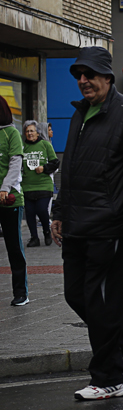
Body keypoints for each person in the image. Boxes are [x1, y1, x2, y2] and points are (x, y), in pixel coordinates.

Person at [51, 46, 123, 400]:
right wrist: (59, 211)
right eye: (79, 75)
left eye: (90, 74)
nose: (83, 81)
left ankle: (109, 377)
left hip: (108, 227)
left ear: (108, 78)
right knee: (76, 295)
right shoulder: (80, 112)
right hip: (76, 224)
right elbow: (70, 167)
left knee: (101, 303)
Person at [0, 96, 28, 306]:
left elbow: (15, 164)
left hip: (10, 199)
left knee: (14, 247)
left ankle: (21, 293)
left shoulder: (11, 133)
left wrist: (4, 188)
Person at [20, 120, 58, 247]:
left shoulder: (45, 145)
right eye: (27, 131)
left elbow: (55, 163)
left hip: (43, 185)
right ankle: (34, 238)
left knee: (42, 210)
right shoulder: (22, 146)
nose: (29, 133)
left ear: (37, 133)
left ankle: (47, 232)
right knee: (30, 212)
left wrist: (44, 168)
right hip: (27, 186)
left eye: (32, 131)